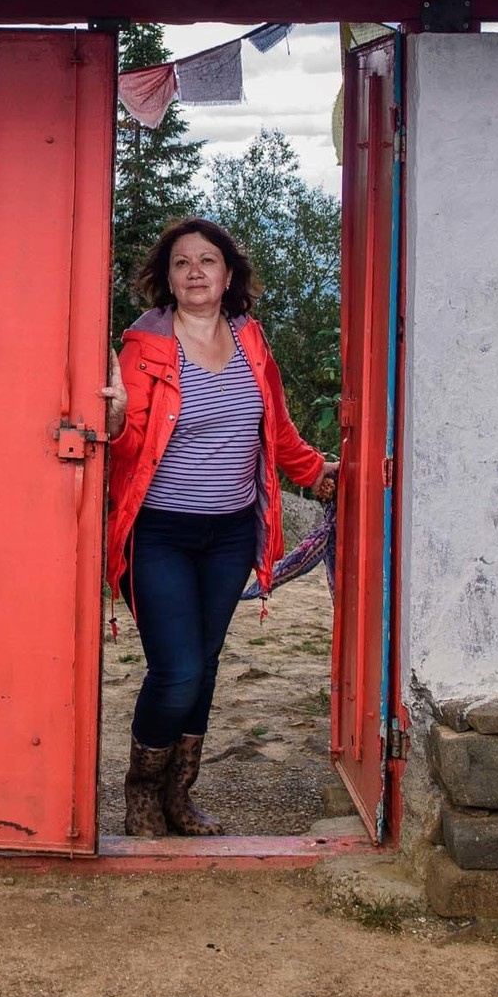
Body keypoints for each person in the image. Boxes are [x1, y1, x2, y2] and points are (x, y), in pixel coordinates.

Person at [100, 218, 337, 836]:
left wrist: (315, 472)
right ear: (168, 278)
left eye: (208, 260)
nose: (196, 272)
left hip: (230, 535)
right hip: (160, 533)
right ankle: (141, 794)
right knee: (176, 669)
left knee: (203, 666)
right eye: (182, 263)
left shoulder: (251, 339)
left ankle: (179, 798)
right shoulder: (145, 347)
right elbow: (129, 446)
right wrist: (118, 420)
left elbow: (275, 427)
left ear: (229, 274)